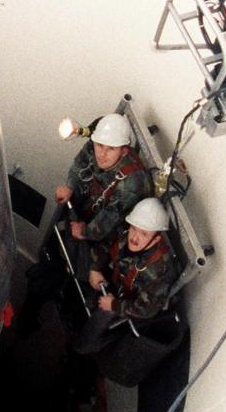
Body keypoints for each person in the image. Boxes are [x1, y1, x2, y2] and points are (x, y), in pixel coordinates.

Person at [54, 113, 151, 251]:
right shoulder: (96, 142)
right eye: (100, 145)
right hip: (90, 203)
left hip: (109, 233)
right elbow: (79, 164)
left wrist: (84, 232)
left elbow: (109, 220)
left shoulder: (131, 183)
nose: (102, 154)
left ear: (123, 152)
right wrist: (70, 185)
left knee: (80, 252)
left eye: (111, 149)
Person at [87, 197, 178, 321]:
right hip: (113, 283)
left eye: (144, 234)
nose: (135, 237)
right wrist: (94, 268)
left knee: (100, 318)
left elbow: (146, 309)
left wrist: (114, 305)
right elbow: (105, 245)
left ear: (156, 239)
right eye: (134, 228)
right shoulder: (124, 232)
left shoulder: (160, 270)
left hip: (128, 306)